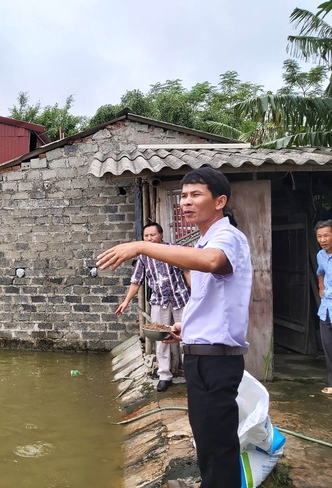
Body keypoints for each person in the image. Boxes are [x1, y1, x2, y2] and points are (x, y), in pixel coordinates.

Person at [96, 167, 252, 488]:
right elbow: (210, 298)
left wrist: (141, 246)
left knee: (218, 449)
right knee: (208, 447)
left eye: (196, 195)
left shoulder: (227, 237)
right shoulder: (204, 240)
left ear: (220, 201)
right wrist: (187, 327)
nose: (186, 202)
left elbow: (210, 262)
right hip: (201, 355)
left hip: (216, 361)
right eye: (183, 195)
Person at [115, 222, 190, 392]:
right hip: (159, 301)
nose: (149, 238)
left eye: (152, 235)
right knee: (161, 338)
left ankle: (191, 374)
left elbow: (188, 271)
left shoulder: (174, 249)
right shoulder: (143, 256)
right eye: (146, 236)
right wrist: (125, 301)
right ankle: (164, 375)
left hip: (181, 298)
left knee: (187, 336)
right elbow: (136, 280)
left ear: (161, 235)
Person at [315, 220, 332, 395]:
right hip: (326, 309)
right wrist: (321, 286)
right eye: (319, 236)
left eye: (326, 235)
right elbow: (320, 272)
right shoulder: (320, 255)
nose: (323, 239)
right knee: (328, 348)